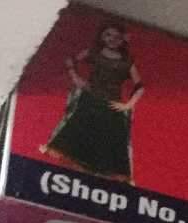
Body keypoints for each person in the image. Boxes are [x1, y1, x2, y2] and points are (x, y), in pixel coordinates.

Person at [41, 20, 143, 182]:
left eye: (116, 36)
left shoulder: (126, 61)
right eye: (108, 35)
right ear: (102, 36)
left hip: (111, 106)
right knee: (79, 137)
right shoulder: (94, 52)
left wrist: (128, 105)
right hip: (89, 100)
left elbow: (140, 86)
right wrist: (76, 77)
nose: (112, 39)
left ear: (122, 39)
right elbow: (71, 61)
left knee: (108, 142)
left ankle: (98, 178)